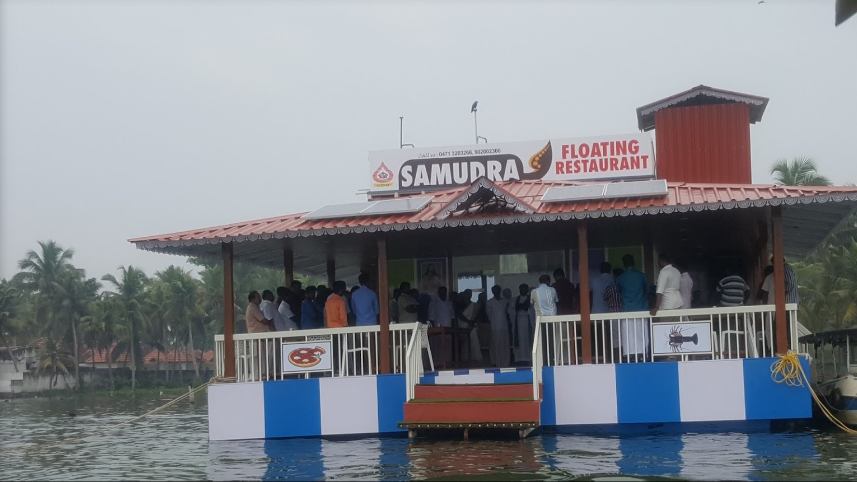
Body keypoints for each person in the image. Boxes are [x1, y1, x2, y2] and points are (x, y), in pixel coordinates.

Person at [616, 254, 649, 361]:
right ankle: (643, 354)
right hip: (641, 308)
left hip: (627, 310)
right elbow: (647, 291)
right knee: (642, 333)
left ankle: (629, 355)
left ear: (624, 264)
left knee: (628, 334)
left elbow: (618, 292)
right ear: (633, 262)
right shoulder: (641, 276)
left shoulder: (620, 278)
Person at [486, 285, 511, 367]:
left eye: (498, 290)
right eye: (495, 290)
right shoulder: (489, 302)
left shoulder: (505, 301)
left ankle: (505, 363)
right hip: (495, 327)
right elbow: (489, 315)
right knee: (496, 345)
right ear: (492, 292)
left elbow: (507, 313)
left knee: (505, 345)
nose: (496, 292)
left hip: (504, 326)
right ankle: (496, 362)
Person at [510, 284, 536, 363]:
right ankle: (519, 358)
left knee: (528, 338)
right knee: (519, 338)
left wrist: (527, 310)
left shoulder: (532, 299)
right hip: (518, 322)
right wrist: (517, 309)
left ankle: (529, 358)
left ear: (527, 290)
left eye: (525, 289)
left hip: (528, 321)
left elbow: (534, 310)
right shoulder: (514, 300)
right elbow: (510, 311)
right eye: (522, 289)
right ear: (519, 289)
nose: (523, 290)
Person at [457, 289, 483, 364]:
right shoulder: (460, 304)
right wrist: (469, 322)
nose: (469, 295)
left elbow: (478, 315)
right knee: (464, 344)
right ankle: (465, 360)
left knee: (474, 342)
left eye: (470, 294)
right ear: (464, 294)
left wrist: (473, 322)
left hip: (472, 327)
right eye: (467, 294)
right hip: (463, 326)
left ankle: (476, 359)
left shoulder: (474, 305)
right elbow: (459, 315)